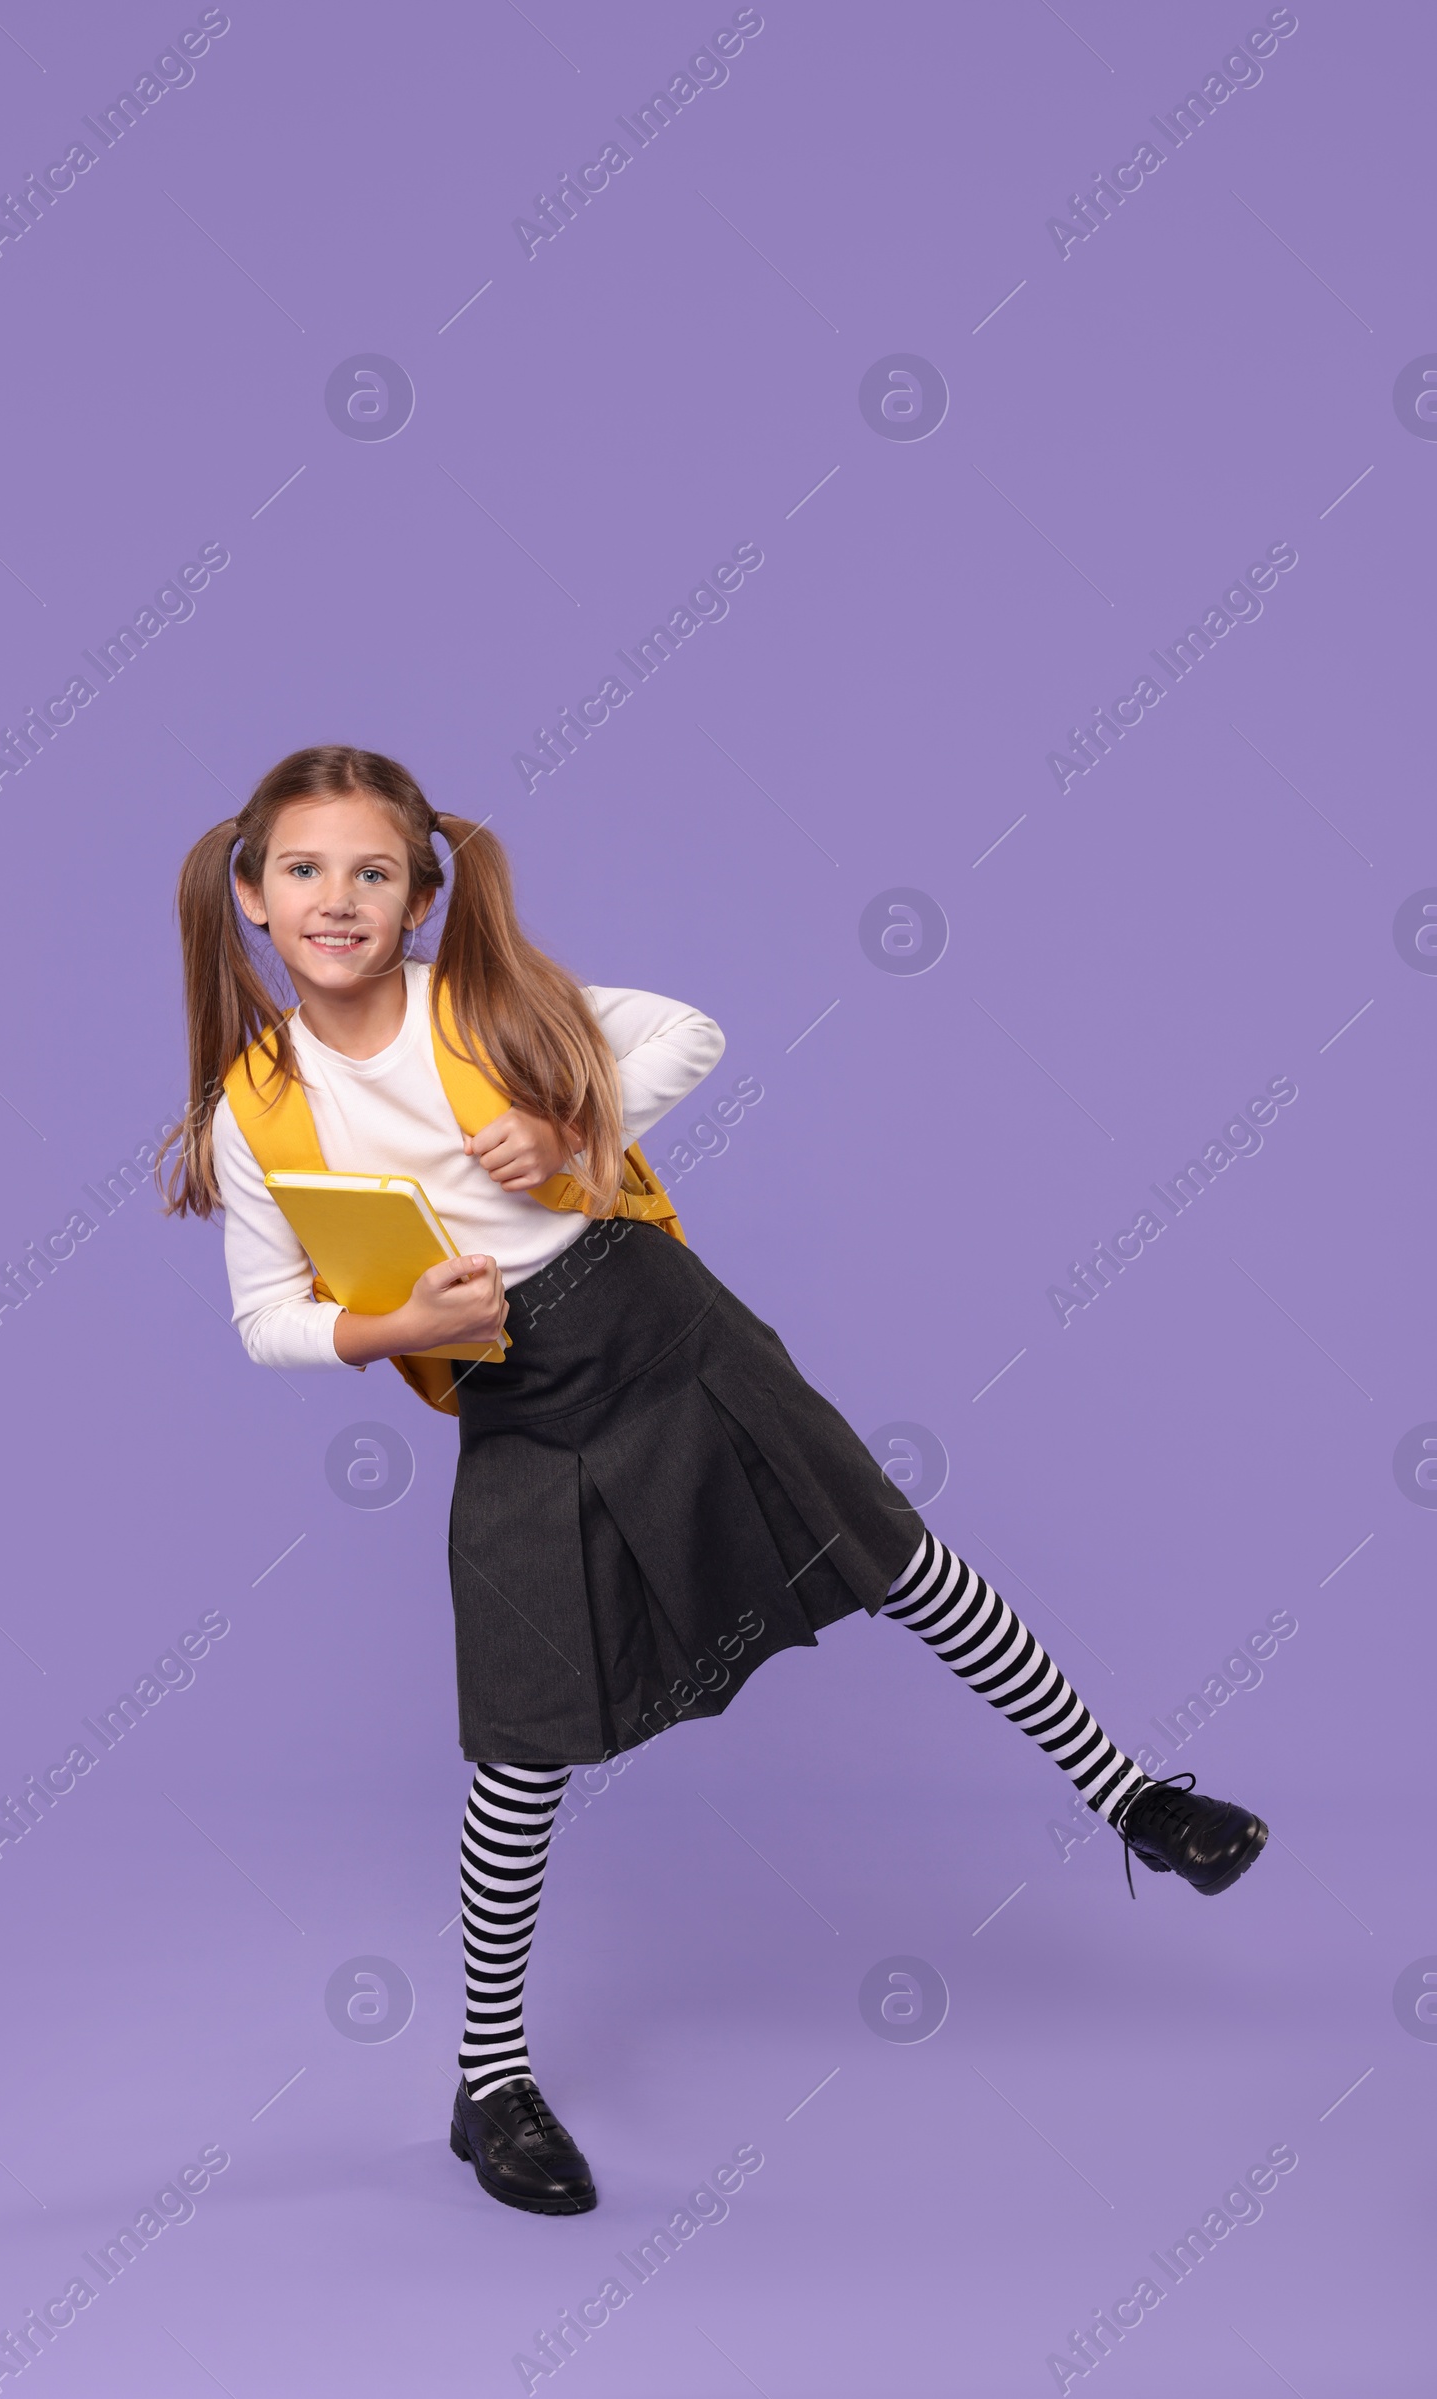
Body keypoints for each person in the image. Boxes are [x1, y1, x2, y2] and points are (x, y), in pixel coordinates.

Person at [164, 746, 1268, 2219]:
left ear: (423, 892)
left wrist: (574, 1131)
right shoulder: (253, 1112)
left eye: (372, 870)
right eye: (302, 870)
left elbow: (688, 1035)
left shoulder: (486, 1004)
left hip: (667, 1337)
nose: (337, 898)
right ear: (248, 893)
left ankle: (1134, 1800)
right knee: (519, 1744)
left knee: (903, 1565)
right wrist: (389, 1329)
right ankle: (488, 2081)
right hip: (519, 1408)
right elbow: (265, 1319)